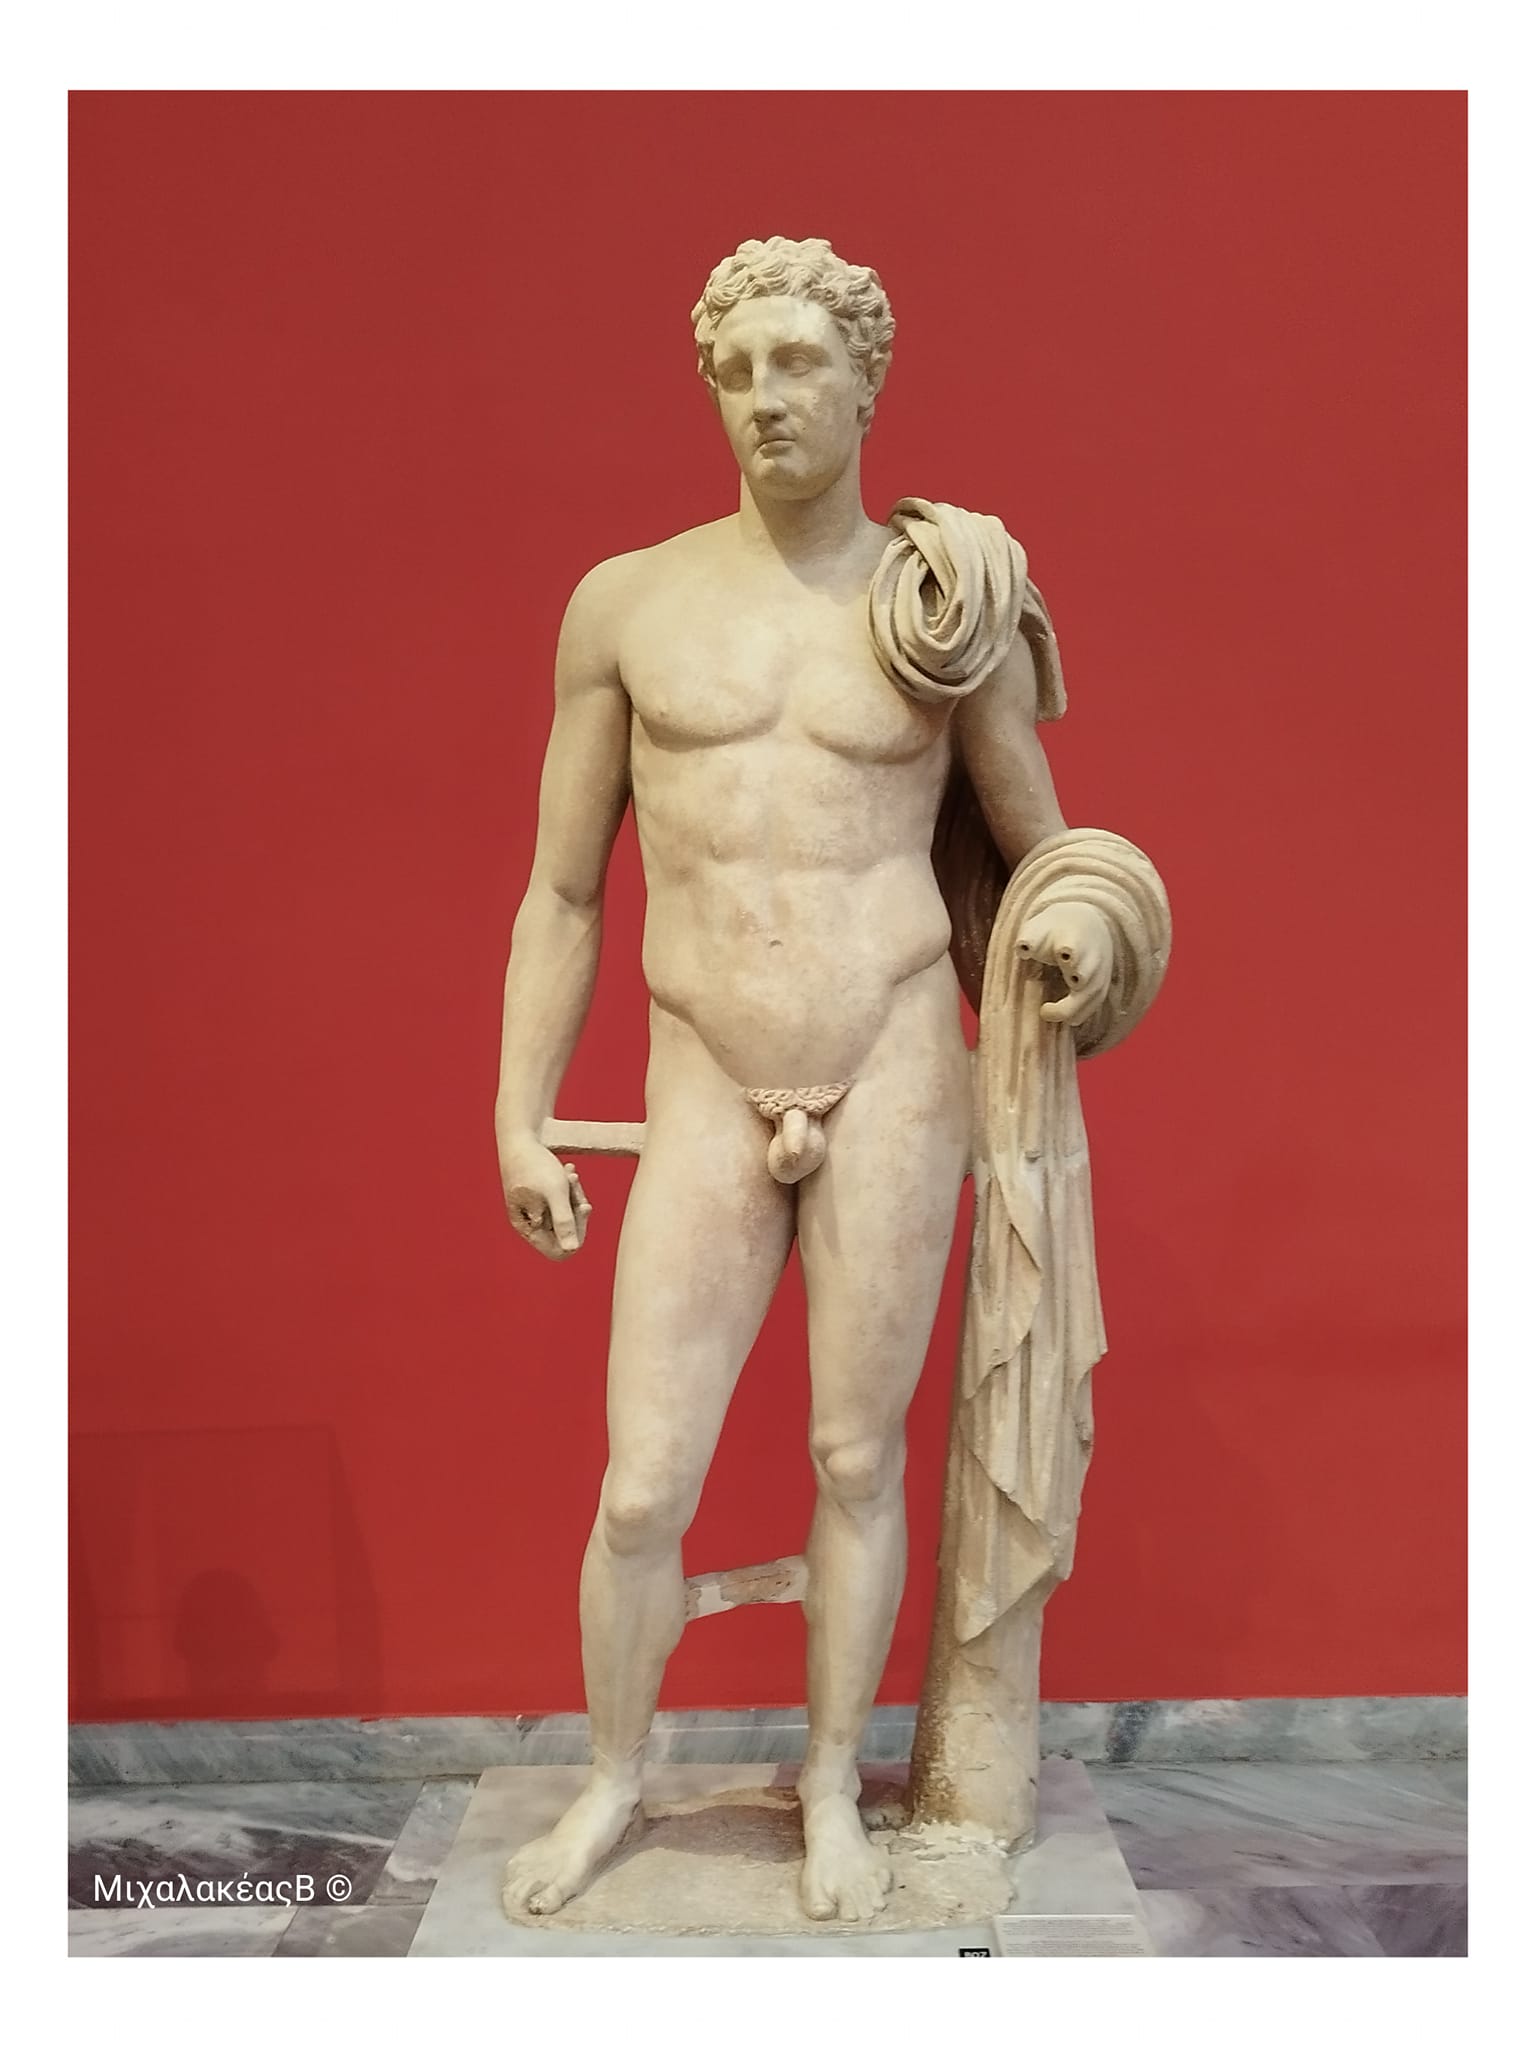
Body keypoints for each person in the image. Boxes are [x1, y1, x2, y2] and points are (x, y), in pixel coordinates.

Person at [493, 237, 1122, 1922]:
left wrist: (1083, 931)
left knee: (855, 1458)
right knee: (644, 1480)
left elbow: (1041, 845)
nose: (765, 397)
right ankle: (614, 1777)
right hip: (703, 1066)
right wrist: (518, 1112)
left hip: (893, 1059)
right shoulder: (627, 606)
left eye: (798, 364)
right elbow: (565, 889)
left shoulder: (942, 608)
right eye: (737, 370)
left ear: (865, 386)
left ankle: (836, 1780)